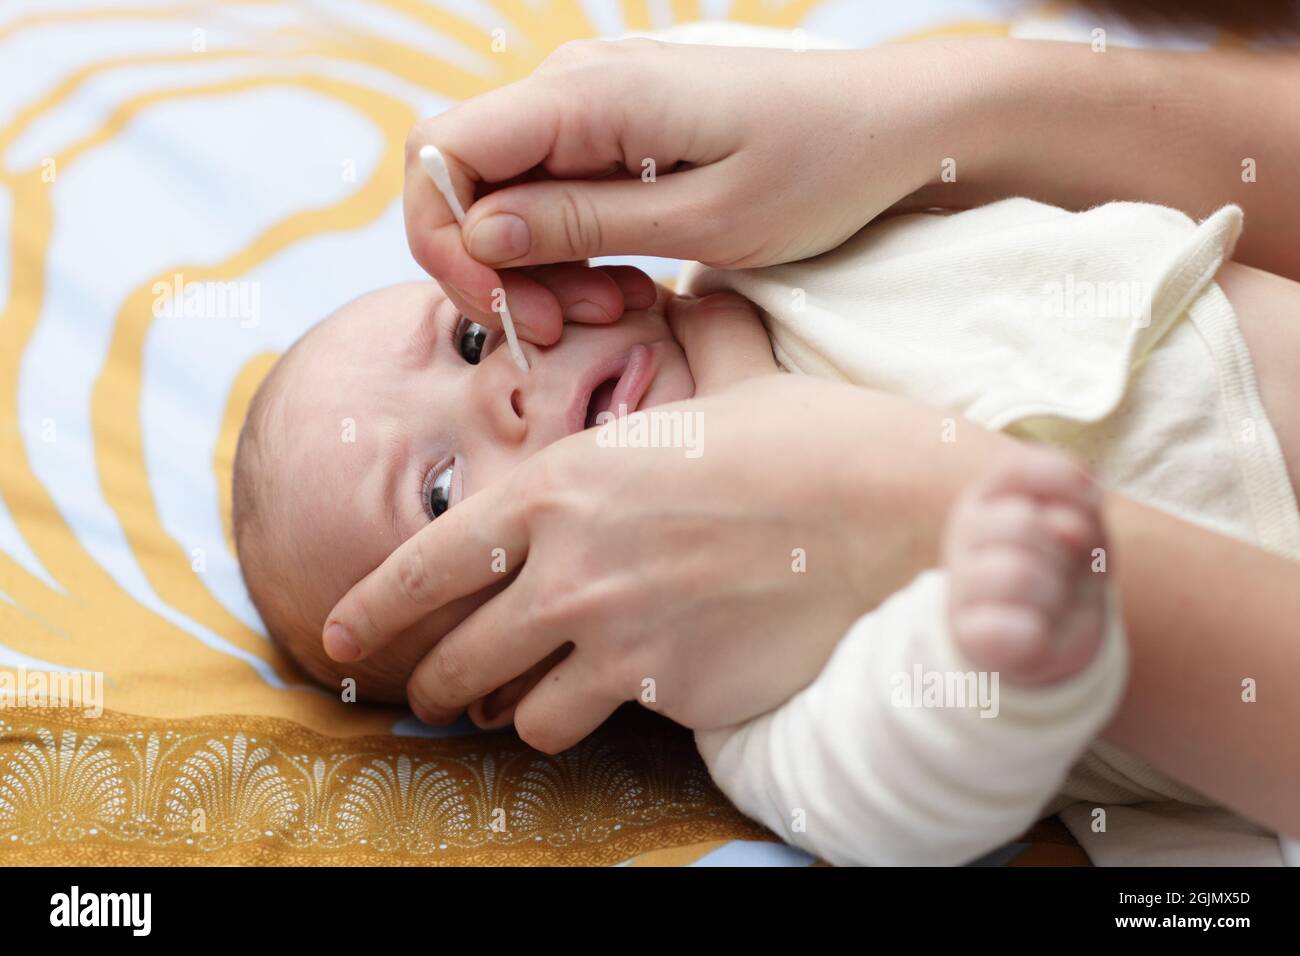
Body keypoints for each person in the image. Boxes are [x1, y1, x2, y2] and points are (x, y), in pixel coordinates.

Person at [321, 37, 1300, 843]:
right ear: (512, 668)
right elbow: (904, 790)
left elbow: (764, 101)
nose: (505, 395)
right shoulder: (738, 678)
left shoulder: (768, 245)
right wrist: (992, 637)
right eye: (441, 491)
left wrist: (886, 109)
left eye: (470, 337)